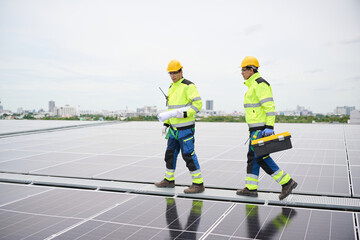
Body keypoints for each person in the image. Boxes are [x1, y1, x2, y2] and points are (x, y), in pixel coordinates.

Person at [236, 56, 297, 200]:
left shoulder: (260, 84)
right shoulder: (252, 86)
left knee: (261, 158)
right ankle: (251, 188)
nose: (241, 73)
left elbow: (269, 107)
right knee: (253, 157)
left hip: (261, 129)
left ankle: (287, 182)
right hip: (254, 129)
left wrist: (269, 126)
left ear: (251, 70)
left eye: (243, 70)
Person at [155, 59, 204, 194]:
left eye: (175, 73)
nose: (173, 76)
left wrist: (185, 113)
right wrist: (166, 123)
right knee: (170, 154)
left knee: (188, 154)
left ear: (181, 71)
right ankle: (169, 180)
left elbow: (198, 105)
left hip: (186, 128)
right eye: (171, 73)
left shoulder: (189, 86)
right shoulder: (171, 87)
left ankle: (198, 184)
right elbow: (171, 109)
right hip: (174, 129)